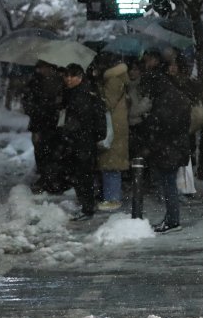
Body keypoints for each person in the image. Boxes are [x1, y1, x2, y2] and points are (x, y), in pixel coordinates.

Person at [140, 50, 194, 232]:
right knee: (169, 184)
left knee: (168, 185)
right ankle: (171, 218)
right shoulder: (177, 96)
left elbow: (159, 125)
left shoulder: (164, 101)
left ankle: (172, 220)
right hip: (176, 146)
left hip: (168, 148)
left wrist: (149, 121)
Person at [55, 63, 107, 222]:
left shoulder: (84, 94)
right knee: (81, 175)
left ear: (80, 77)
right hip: (79, 140)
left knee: (84, 175)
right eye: (67, 76)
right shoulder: (74, 92)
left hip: (82, 141)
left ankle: (88, 208)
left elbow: (86, 119)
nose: (69, 79)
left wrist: (71, 131)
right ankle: (86, 206)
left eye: (73, 76)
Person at [96, 53, 131, 212]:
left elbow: (107, 103)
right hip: (118, 124)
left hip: (113, 126)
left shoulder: (112, 80)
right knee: (112, 162)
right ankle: (112, 196)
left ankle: (112, 198)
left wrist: (96, 94)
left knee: (111, 163)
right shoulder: (119, 78)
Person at [25, 60, 66, 193]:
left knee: (54, 153)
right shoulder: (35, 82)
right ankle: (47, 179)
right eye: (40, 68)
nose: (42, 71)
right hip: (40, 122)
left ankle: (53, 180)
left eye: (44, 67)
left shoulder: (61, 81)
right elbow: (28, 102)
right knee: (42, 152)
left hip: (55, 124)